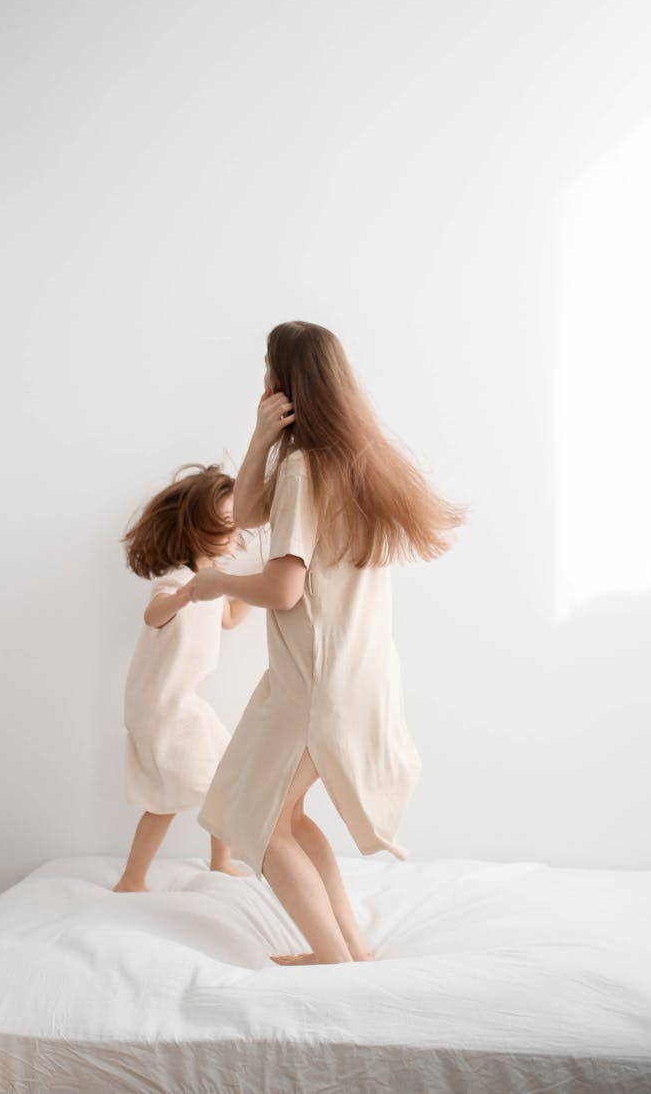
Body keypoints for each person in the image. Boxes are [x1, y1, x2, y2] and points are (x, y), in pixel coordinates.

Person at [182, 321, 469, 963]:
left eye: (266, 369)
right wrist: (260, 438)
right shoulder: (355, 463)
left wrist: (214, 586)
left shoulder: (305, 470)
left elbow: (285, 589)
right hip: (345, 673)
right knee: (287, 816)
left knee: (259, 821)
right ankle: (351, 953)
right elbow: (249, 515)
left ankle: (334, 962)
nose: (260, 379)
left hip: (315, 684)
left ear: (284, 383)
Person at [113, 464, 253, 892]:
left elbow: (228, 617)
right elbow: (153, 614)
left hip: (183, 702)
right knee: (165, 799)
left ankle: (220, 862)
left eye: (235, 525)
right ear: (197, 528)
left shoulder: (211, 582)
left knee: (225, 776)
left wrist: (255, 586)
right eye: (224, 526)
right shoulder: (178, 580)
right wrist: (183, 596)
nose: (233, 535)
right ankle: (132, 879)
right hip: (162, 707)